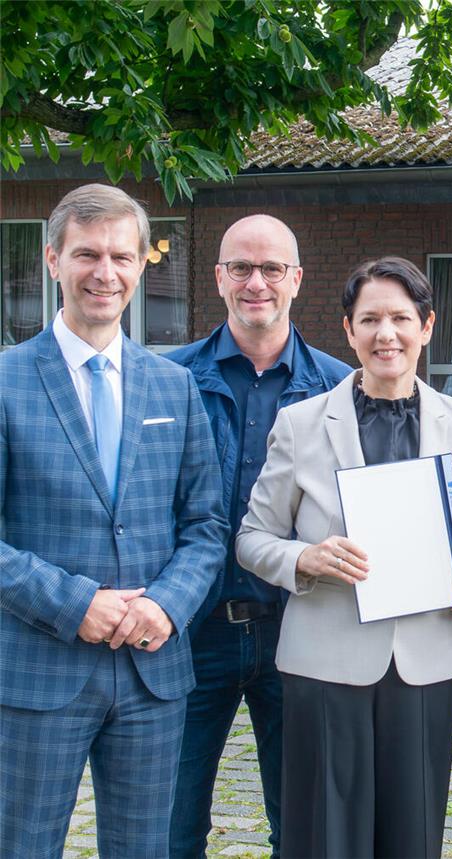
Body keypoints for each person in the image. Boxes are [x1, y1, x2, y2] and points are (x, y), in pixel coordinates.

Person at [234, 256, 452, 858]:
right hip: (325, 662)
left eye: (400, 318)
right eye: (370, 319)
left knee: (413, 836)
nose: (386, 334)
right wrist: (305, 559)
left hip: (426, 659)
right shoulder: (300, 424)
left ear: (427, 326)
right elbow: (252, 538)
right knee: (326, 838)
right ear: (349, 331)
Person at [0, 184, 227, 857]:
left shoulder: (174, 385)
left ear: (141, 264)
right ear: (53, 260)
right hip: (38, 671)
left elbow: (206, 525)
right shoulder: (7, 381)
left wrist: (166, 604)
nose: (106, 272)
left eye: (122, 257)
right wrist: (76, 604)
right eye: (87, 254)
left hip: (152, 671)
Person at [166, 215, 351, 858]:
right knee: (170, 828)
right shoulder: (168, 379)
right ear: (219, 277)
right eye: (241, 268)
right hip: (190, 632)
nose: (256, 283)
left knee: (303, 829)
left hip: (299, 628)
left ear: (296, 279)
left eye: (272, 268)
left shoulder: (340, 388)